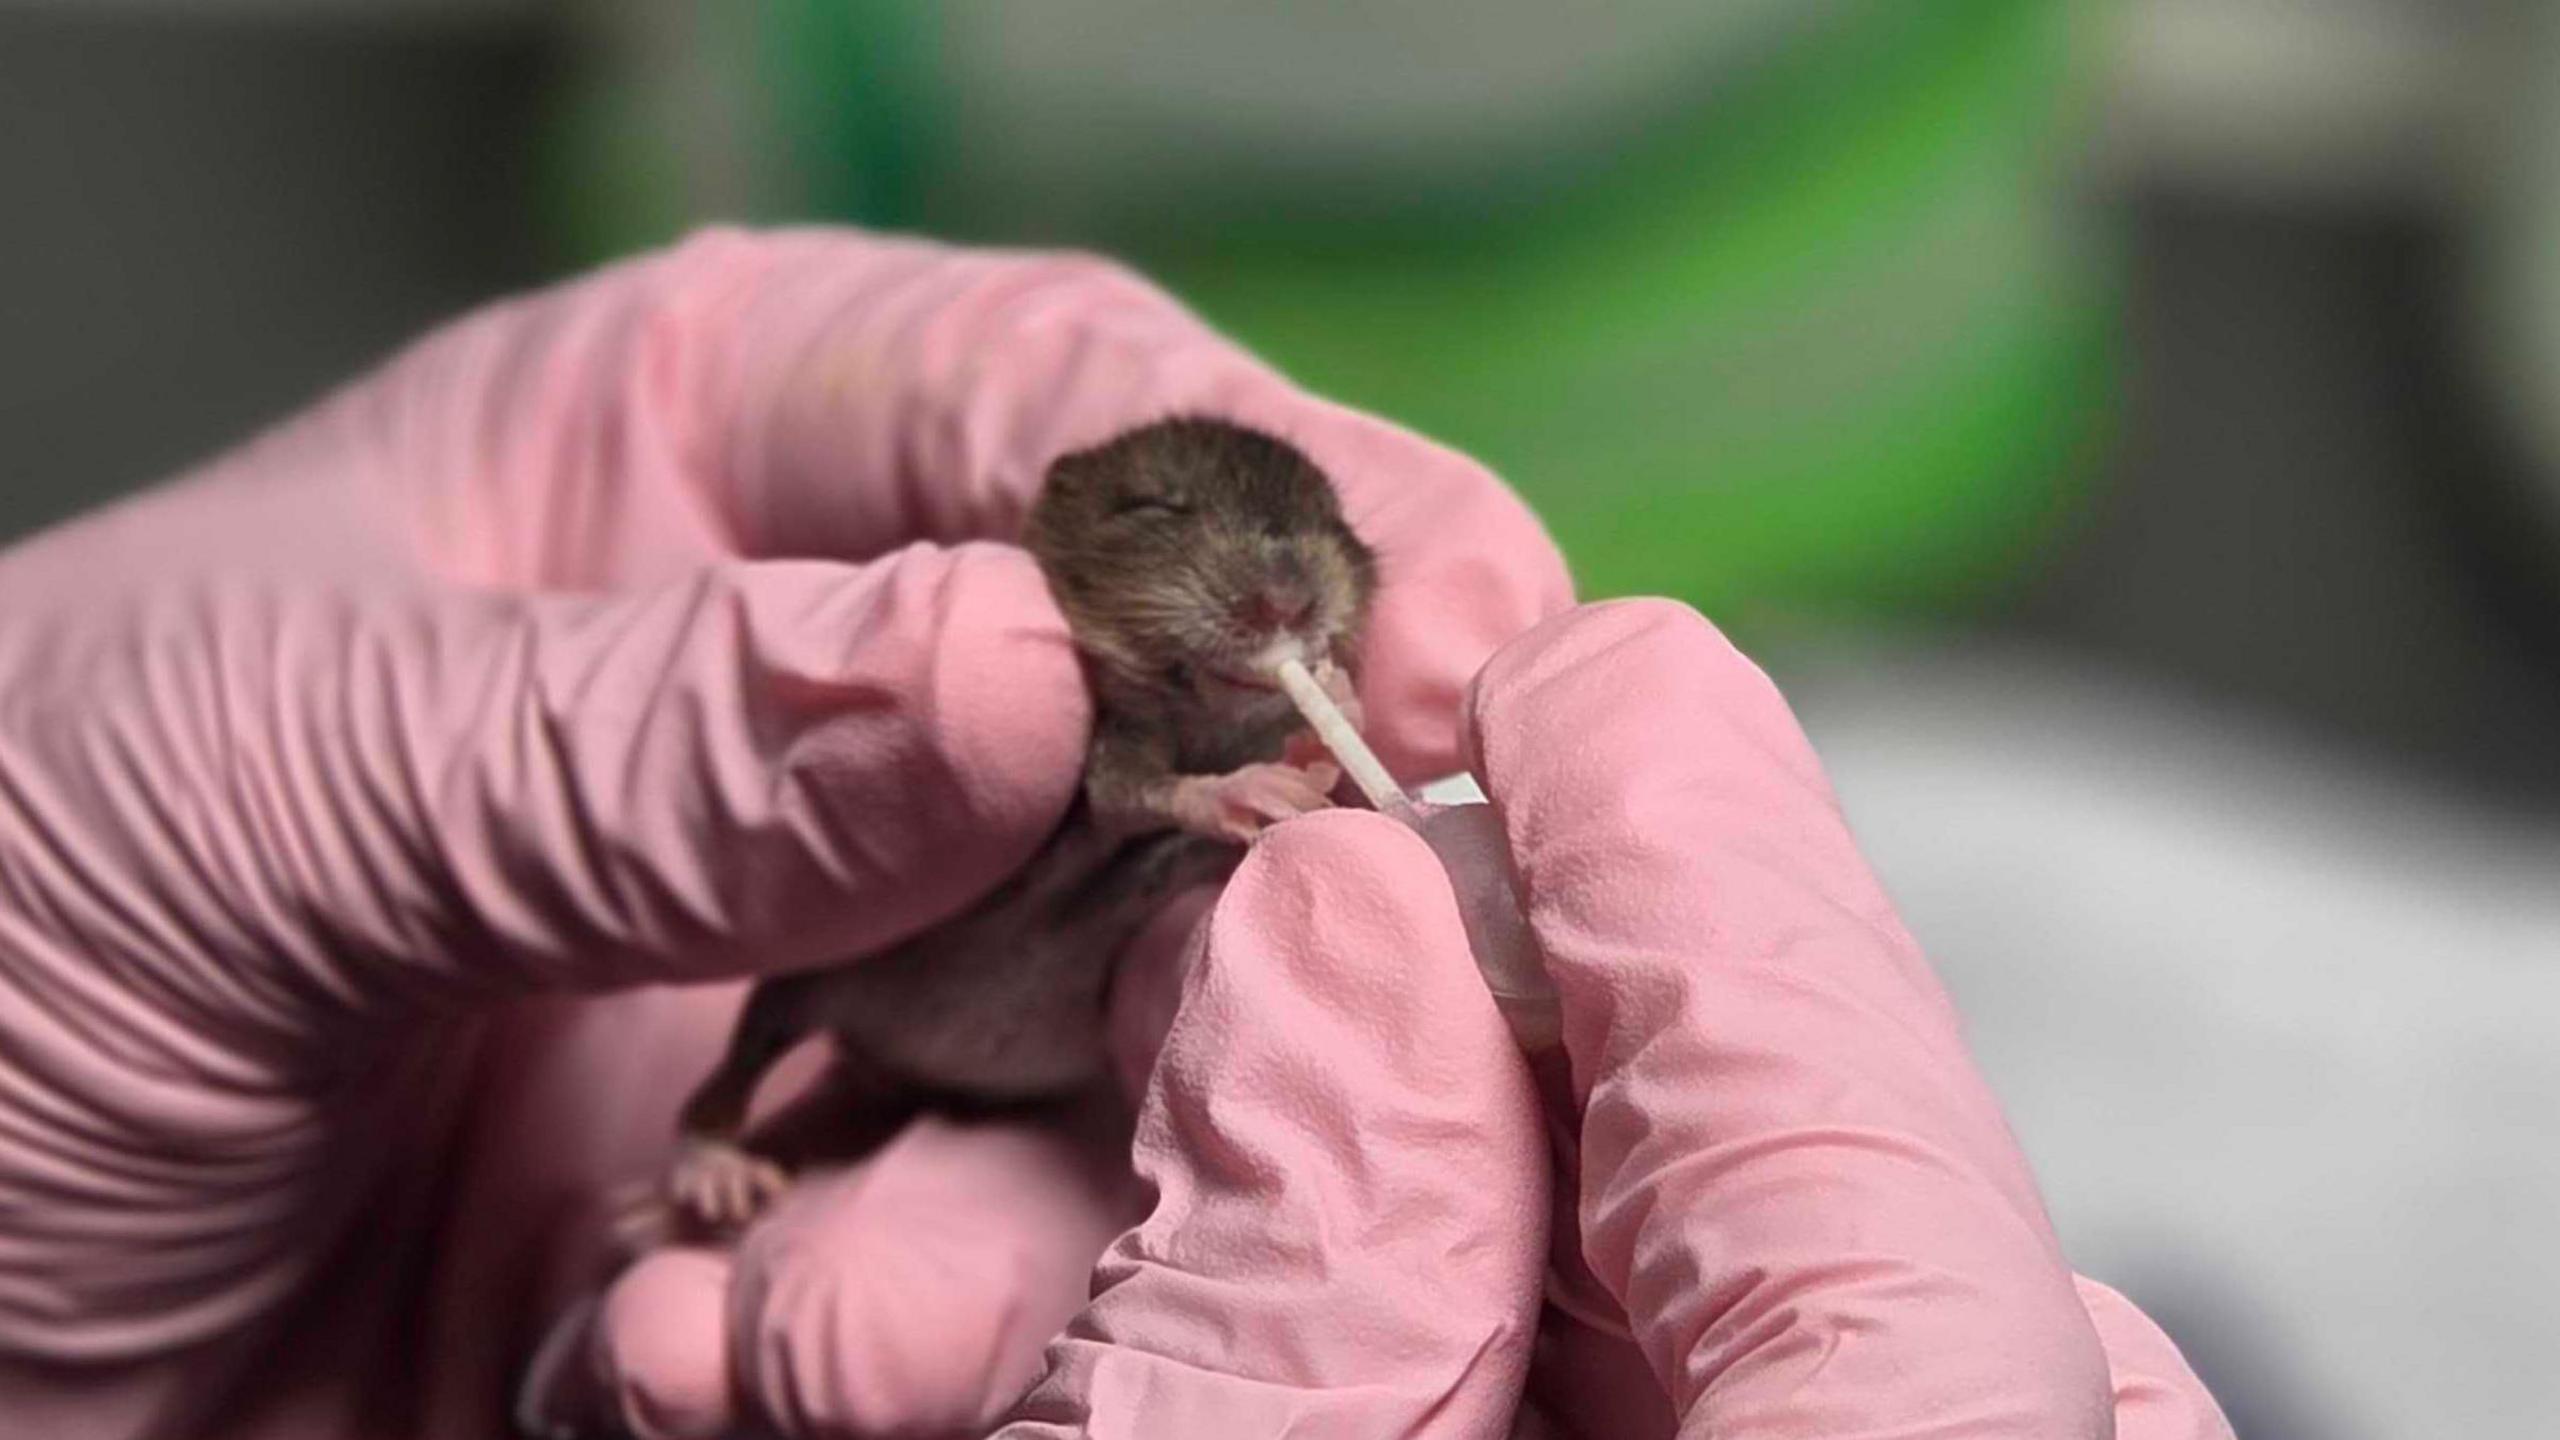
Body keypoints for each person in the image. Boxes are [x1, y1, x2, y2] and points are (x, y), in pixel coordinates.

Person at [0, 228, 2232, 1439]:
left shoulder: (1307, 654)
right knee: (824, 1054)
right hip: (897, 1011)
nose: (1273, 604)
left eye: (1301, 568)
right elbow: (1058, 820)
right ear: (1068, 534)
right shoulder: (1013, 677)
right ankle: (723, 1143)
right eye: (1193, 547)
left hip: (1075, 1052)